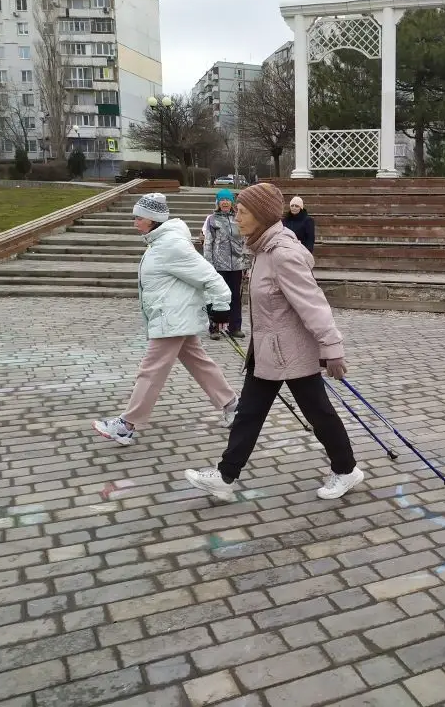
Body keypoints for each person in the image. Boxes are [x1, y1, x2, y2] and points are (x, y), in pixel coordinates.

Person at [184, 183, 364, 503]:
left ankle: (347, 470)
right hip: (267, 351)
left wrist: (332, 348)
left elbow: (313, 304)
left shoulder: (282, 254)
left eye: (243, 212)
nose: (237, 218)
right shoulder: (262, 248)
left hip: (291, 353)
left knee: (319, 414)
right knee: (248, 414)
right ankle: (225, 476)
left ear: (262, 215)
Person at [93, 193, 238, 446]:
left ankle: (126, 424)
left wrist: (222, 305)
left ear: (152, 219)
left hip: (171, 319)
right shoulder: (159, 242)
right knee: (199, 363)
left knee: (151, 371)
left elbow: (209, 275)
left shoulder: (171, 244)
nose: (135, 223)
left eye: (138, 218)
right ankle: (232, 405)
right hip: (173, 317)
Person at [202, 189, 251, 340]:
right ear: (218, 202)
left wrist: (246, 263)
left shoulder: (238, 219)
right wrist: (208, 264)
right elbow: (208, 242)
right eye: (222, 200)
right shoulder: (212, 219)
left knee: (235, 296)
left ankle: (235, 327)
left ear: (232, 202)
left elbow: (245, 242)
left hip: (236, 265)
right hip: (218, 265)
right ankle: (215, 327)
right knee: (216, 296)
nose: (225, 202)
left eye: (227, 200)